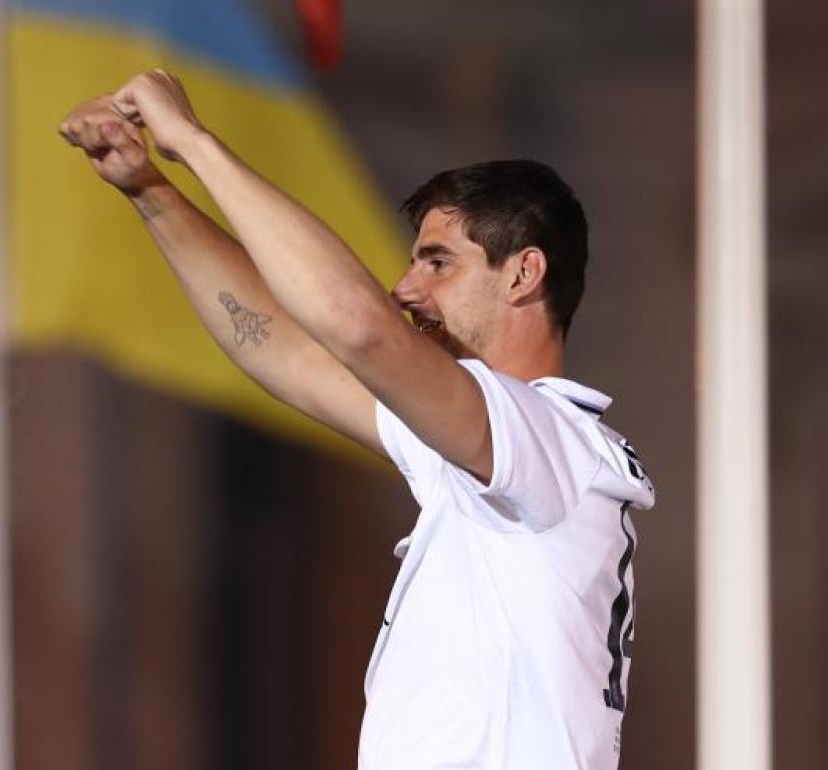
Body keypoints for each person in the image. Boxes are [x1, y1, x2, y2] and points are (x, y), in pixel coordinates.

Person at [59, 69, 655, 770]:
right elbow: (282, 348)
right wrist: (149, 190)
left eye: (438, 263)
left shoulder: (547, 440)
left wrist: (192, 142)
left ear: (523, 274)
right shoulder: (494, 449)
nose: (406, 289)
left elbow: (358, 328)